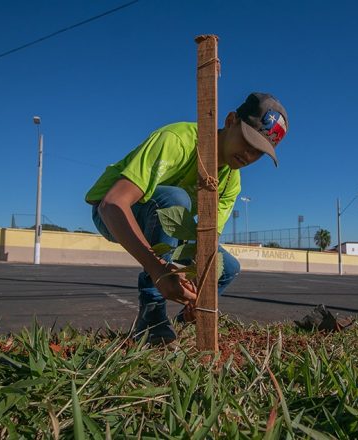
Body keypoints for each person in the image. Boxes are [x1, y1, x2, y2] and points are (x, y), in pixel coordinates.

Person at [86, 93, 289, 344]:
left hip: (164, 222)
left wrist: (199, 287)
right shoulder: (178, 140)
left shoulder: (230, 182)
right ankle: (152, 317)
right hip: (113, 212)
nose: (248, 155)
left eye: (258, 152)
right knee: (175, 199)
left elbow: (206, 241)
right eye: (248, 140)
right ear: (230, 120)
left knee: (226, 268)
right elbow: (112, 204)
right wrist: (159, 271)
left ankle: (185, 323)